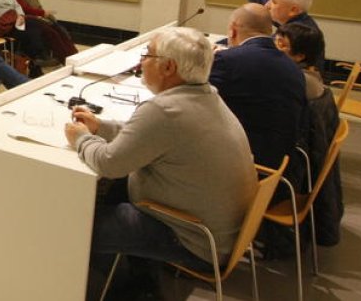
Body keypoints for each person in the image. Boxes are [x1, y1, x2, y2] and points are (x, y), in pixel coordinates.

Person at [65, 27, 257, 296]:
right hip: (219, 232)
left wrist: (82, 138)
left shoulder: (163, 110)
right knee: (114, 191)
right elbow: (151, 138)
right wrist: (102, 127)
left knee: (75, 225)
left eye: (147, 55)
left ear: (168, 67)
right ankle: (142, 281)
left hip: (192, 238)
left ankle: (120, 289)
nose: (142, 62)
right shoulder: (206, 95)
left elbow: (109, 163)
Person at [210, 3, 307, 191]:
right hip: (284, 166)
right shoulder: (292, 67)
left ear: (232, 30)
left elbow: (195, 100)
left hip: (249, 167)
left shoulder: (228, 61)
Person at [273, 22, 343, 247]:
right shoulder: (312, 78)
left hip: (286, 173)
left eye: (282, 44)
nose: (275, 45)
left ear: (300, 55)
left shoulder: (299, 83)